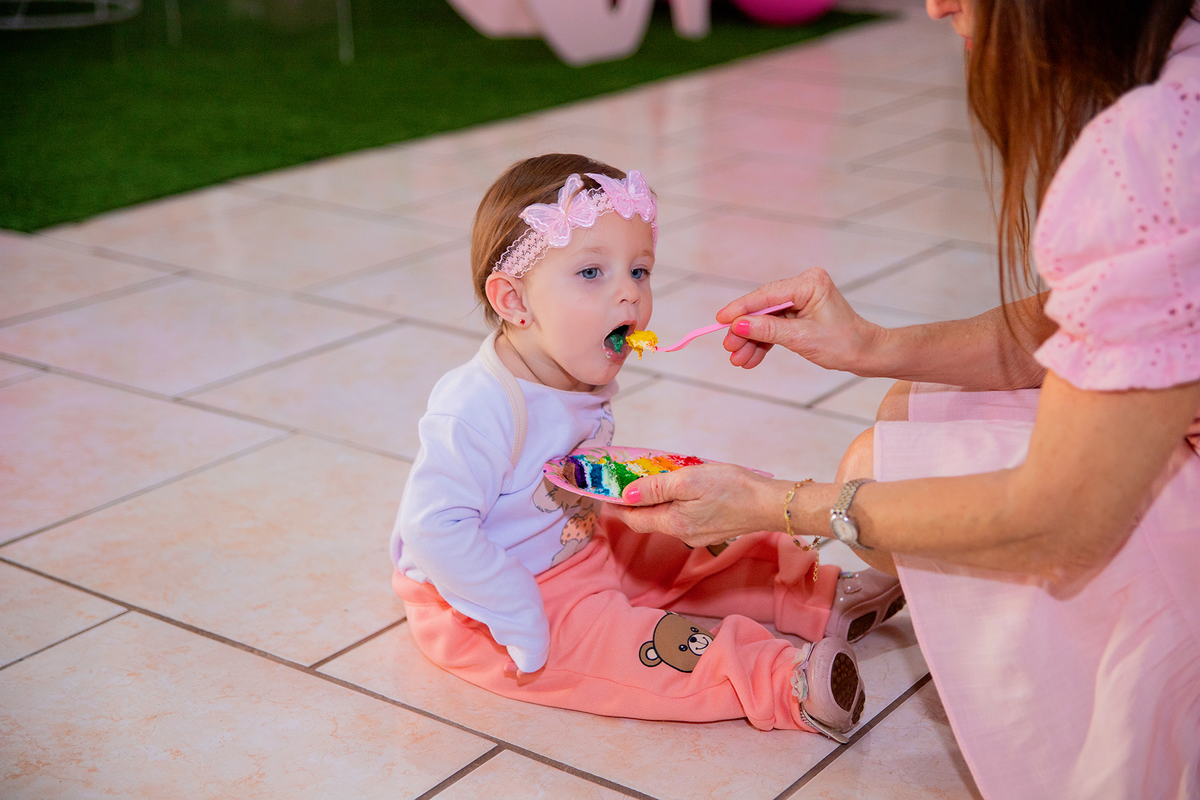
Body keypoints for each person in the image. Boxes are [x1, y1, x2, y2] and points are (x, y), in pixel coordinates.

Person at [610, 1, 1200, 797]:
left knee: (878, 468)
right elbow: (1093, 314)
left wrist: (781, 505)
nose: (935, 4)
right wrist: (872, 345)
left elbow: (1063, 520)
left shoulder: (1157, 147)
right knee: (909, 409)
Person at [389, 153, 906, 740]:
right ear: (513, 301)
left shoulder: (572, 368)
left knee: (683, 544)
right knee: (634, 645)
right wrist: (512, 607)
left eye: (639, 271)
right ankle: (783, 682)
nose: (630, 296)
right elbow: (434, 528)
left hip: (579, 541)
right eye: (592, 273)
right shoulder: (476, 405)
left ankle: (812, 594)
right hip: (490, 597)